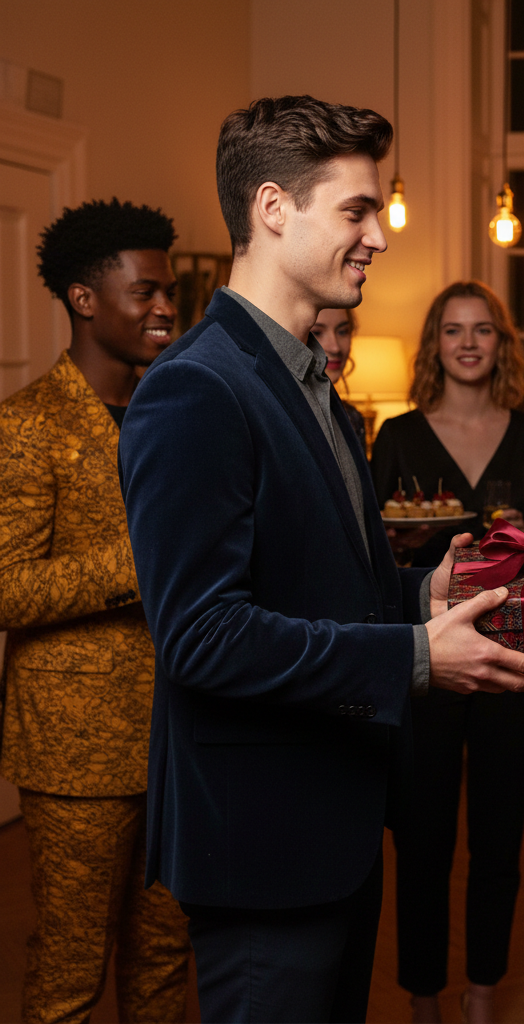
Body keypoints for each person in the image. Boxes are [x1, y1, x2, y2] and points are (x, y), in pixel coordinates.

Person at [117, 95, 524, 1024]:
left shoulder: (311, 383)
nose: (378, 237)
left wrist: (419, 591)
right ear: (273, 209)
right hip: (262, 842)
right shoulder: (195, 389)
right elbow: (201, 636)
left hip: (337, 825)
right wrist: (420, 655)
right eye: (357, 211)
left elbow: (325, 584)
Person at [0, 199, 190, 1023]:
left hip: (183, 735)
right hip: (75, 752)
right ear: (84, 299)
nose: (165, 308)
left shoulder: (179, 417)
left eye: (170, 292)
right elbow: (6, 587)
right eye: (145, 291)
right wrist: (139, 567)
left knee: (164, 959)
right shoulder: (26, 426)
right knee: (71, 975)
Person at [370, 281, 524, 1024]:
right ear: (435, 346)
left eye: (482, 330)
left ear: (500, 344)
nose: (468, 343)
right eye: (453, 330)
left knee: (500, 837)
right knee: (421, 836)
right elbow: (375, 551)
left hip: (514, 650)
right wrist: (401, 543)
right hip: (432, 652)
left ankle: (482, 990)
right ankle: (422, 996)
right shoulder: (399, 436)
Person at [312, 305, 366, 450]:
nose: (335, 347)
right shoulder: (275, 416)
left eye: (342, 332)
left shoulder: (352, 418)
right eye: (317, 332)